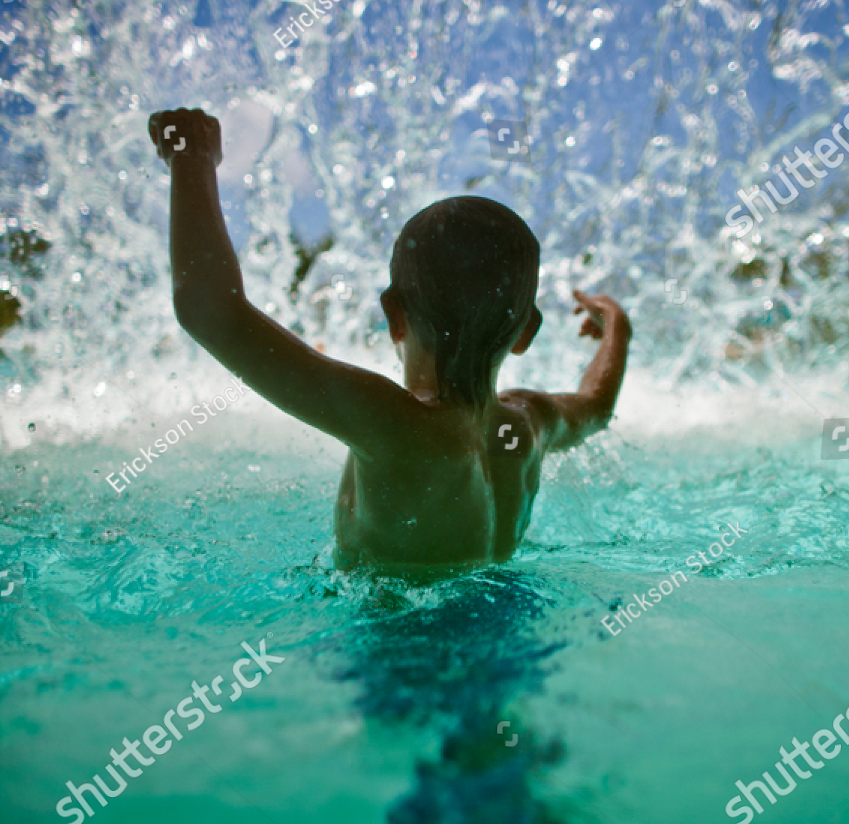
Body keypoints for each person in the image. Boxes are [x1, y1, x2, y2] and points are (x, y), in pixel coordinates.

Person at [148, 107, 631, 573]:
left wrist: (190, 159)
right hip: (508, 636)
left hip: (398, 649)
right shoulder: (530, 426)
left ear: (394, 316)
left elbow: (210, 313)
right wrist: (616, 328)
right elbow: (597, 404)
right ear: (527, 332)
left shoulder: (389, 423)